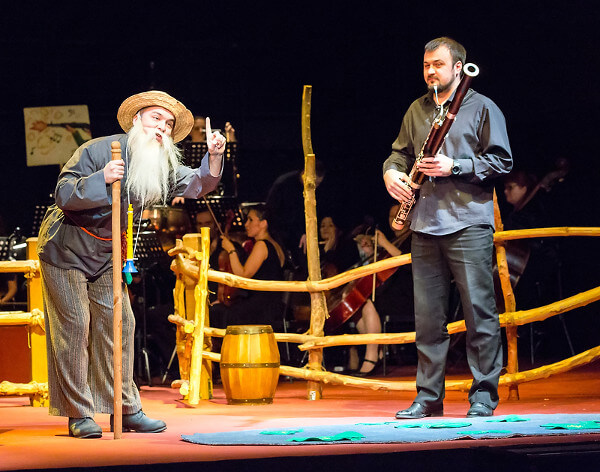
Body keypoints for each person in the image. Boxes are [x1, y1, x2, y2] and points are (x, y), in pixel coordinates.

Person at [36, 90, 226, 438]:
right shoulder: (97, 149)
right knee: (76, 326)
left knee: (121, 323)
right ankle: (79, 414)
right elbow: (63, 193)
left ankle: (125, 408)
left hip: (108, 254)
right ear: (137, 120)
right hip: (66, 249)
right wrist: (104, 177)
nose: (162, 128)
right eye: (156, 118)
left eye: (168, 124)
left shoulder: (159, 165)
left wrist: (214, 157)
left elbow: (199, 183)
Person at [383, 37, 512, 419]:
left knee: (479, 314)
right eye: (426, 65)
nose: (430, 72)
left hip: (468, 223)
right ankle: (428, 397)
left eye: (438, 64)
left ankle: (484, 396)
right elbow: (398, 153)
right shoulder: (416, 109)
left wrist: (454, 165)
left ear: (458, 68)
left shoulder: (483, 108)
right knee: (428, 318)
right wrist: (391, 173)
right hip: (424, 224)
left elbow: (502, 161)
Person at [209, 204, 285, 329]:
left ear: (263, 224)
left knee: (219, 313)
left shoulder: (262, 245)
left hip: (263, 308)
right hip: (270, 304)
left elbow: (243, 276)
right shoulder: (275, 244)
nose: (246, 225)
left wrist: (231, 250)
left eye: (250, 220)